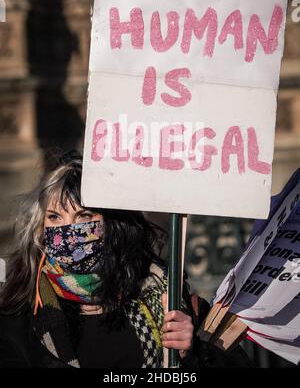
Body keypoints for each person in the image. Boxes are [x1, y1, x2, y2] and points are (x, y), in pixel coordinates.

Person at [0, 151, 251, 369]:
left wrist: (194, 352)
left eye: (84, 216)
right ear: (41, 227)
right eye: (54, 217)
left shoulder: (167, 295)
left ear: (114, 226)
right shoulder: (20, 307)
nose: (68, 230)